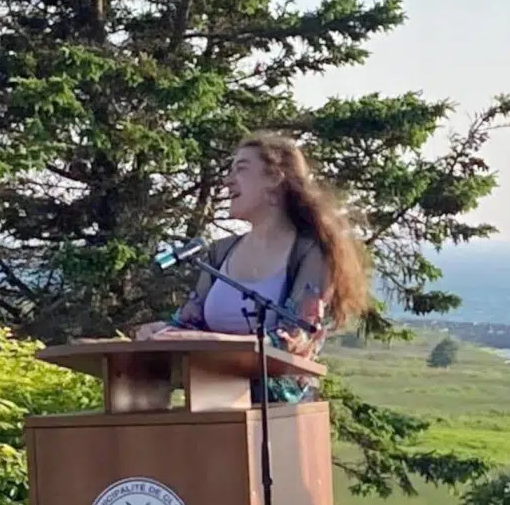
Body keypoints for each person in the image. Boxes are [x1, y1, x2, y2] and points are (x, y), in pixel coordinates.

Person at [142, 132, 369, 395]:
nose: (227, 181)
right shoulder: (220, 252)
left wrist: (204, 341)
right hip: (214, 404)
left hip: (279, 415)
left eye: (241, 169)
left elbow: (294, 339)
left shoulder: (311, 253)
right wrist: (158, 331)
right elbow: (188, 325)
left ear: (274, 179)